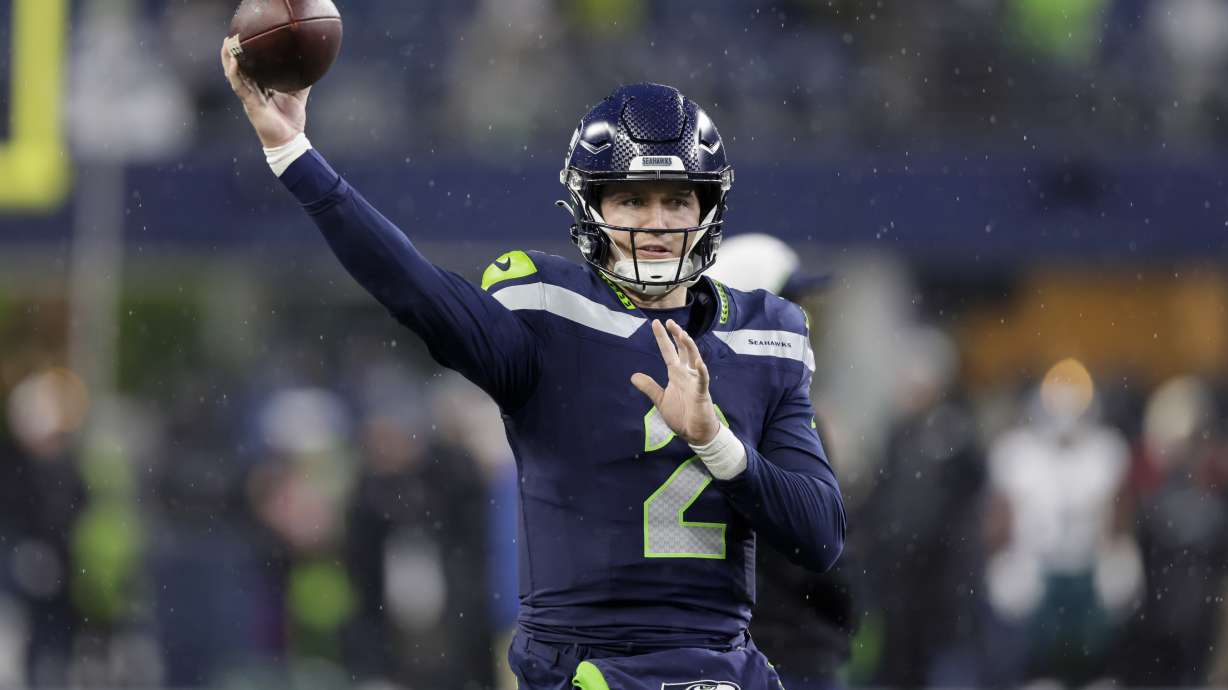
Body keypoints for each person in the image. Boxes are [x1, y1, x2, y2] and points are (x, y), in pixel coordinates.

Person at [221, 39, 845, 690]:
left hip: (721, 668)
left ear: (707, 210)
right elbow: (415, 288)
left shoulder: (765, 335)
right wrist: (294, 155)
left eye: (676, 200)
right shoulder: (550, 316)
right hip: (585, 667)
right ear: (591, 208)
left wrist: (717, 443)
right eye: (632, 201)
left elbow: (820, 536)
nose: (657, 223)